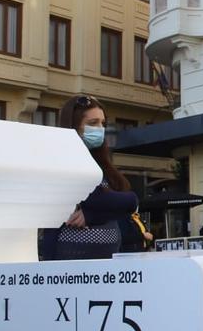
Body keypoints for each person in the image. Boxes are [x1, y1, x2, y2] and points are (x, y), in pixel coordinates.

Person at [39, 95, 139, 261]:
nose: (100, 128)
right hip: (71, 259)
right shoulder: (63, 161)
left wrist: (92, 215)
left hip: (107, 261)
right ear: (73, 127)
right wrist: (128, 201)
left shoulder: (101, 163)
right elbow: (97, 198)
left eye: (102, 123)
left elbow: (118, 201)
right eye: (93, 123)